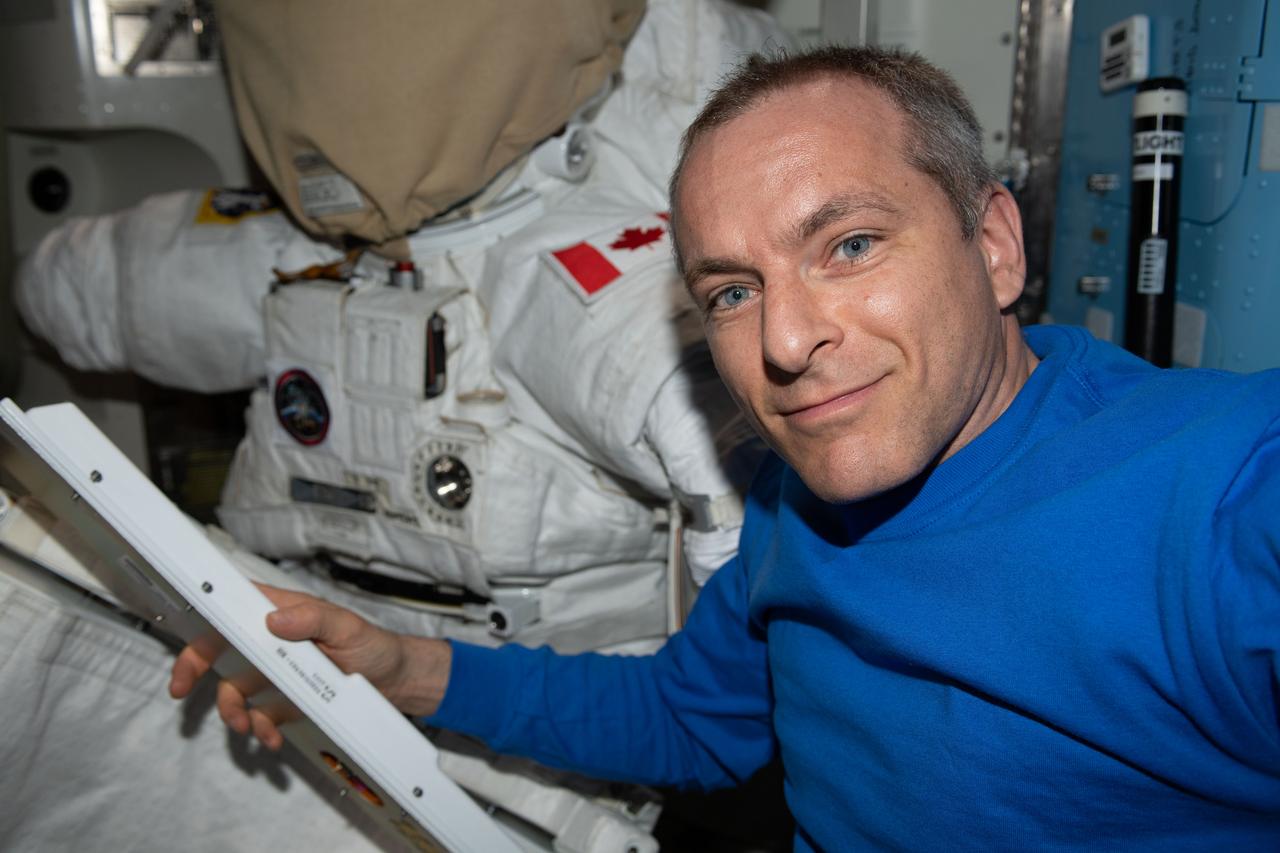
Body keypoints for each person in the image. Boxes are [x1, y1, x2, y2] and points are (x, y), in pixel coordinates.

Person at [172, 45, 1280, 850]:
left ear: (992, 246)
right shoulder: (794, 507)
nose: (786, 343)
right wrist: (401, 666)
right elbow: (687, 721)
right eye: (733, 292)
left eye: (849, 245)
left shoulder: (1225, 491)